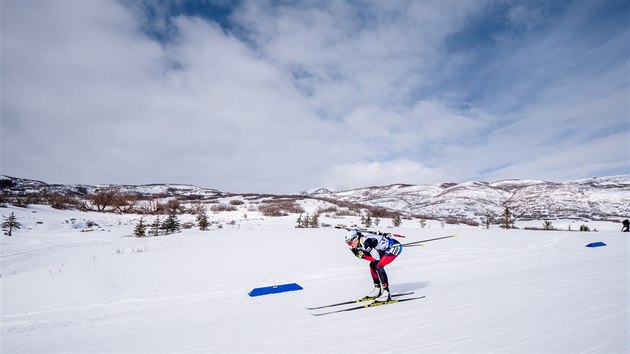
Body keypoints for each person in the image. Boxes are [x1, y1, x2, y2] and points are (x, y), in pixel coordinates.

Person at [345, 229, 402, 302]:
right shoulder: (359, 243)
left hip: (394, 247)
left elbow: (376, 258)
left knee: (378, 265)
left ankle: (386, 293)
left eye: (350, 243)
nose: (350, 245)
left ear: (355, 238)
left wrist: (363, 256)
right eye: (348, 244)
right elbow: (373, 258)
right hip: (385, 249)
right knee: (372, 265)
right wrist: (361, 254)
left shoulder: (366, 243)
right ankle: (377, 289)